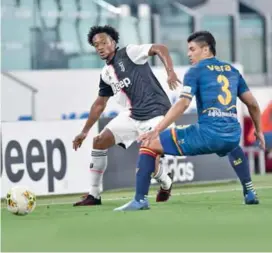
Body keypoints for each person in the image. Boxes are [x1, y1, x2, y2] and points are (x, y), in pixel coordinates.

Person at [114, 31, 265, 211]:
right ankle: (249, 192)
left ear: (206, 49)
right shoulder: (233, 71)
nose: (189, 54)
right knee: (232, 145)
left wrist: (157, 129)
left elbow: (183, 104)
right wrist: (258, 130)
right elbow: (253, 104)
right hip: (232, 134)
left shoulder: (195, 71)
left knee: (149, 144)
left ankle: (140, 200)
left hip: (207, 135)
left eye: (192, 49)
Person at [72, 25, 181, 206]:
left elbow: (160, 48)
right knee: (99, 141)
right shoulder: (106, 73)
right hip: (132, 116)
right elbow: (100, 104)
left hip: (156, 113)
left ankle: (165, 182)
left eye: (104, 42)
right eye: (96, 44)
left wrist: (170, 71)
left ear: (113, 42)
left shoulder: (130, 52)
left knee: (150, 158)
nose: (100, 47)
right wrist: (84, 132)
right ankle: (94, 194)